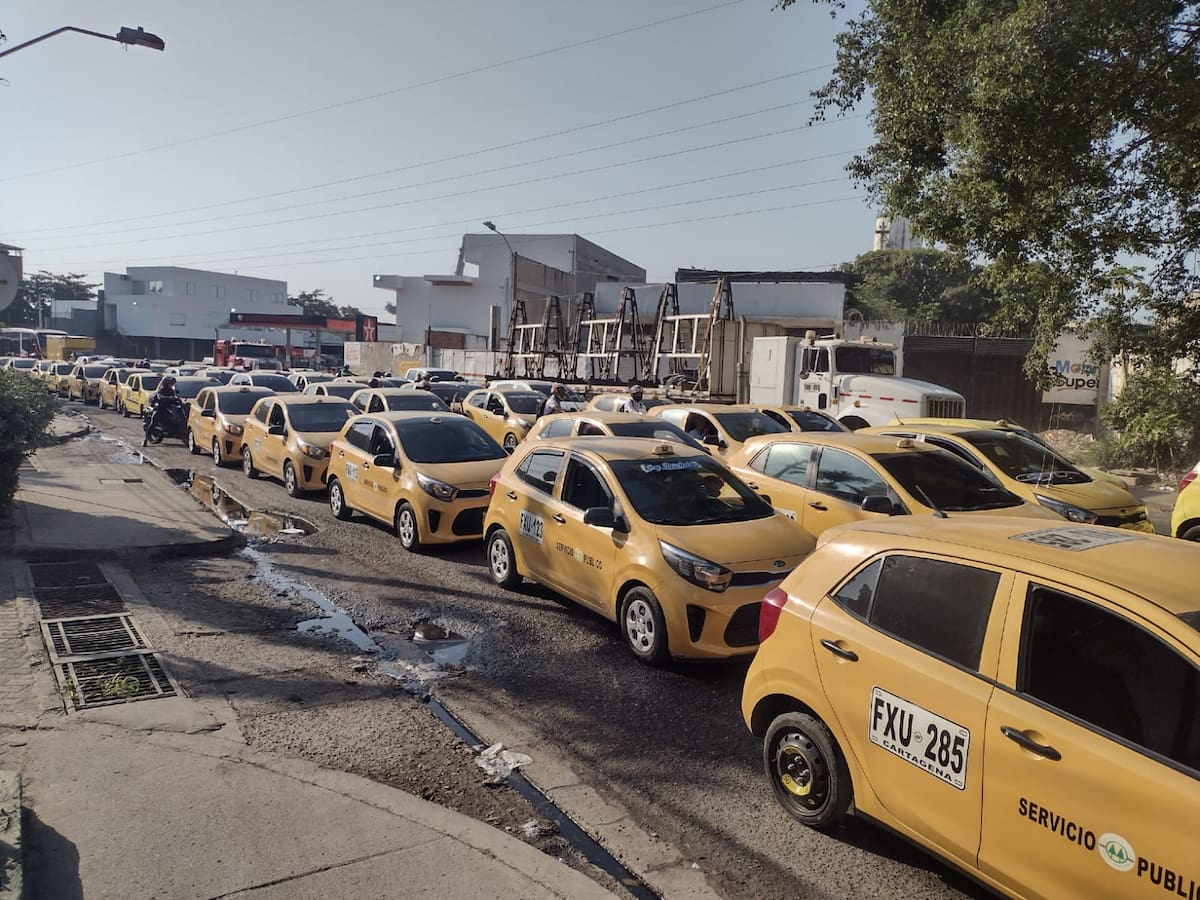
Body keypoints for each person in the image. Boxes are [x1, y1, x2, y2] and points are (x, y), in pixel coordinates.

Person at [143, 376, 180, 446]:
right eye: (170, 384)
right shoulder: (161, 390)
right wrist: (167, 398)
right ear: (166, 384)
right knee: (153, 422)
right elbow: (160, 398)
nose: (171, 385)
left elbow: (174, 398)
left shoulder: (171, 391)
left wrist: (177, 400)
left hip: (169, 408)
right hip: (160, 408)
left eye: (172, 384)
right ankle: (146, 439)